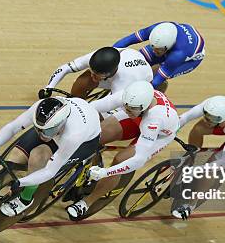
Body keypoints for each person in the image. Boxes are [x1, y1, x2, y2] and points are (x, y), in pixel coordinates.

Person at [65, 81, 179, 220]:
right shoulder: (129, 98)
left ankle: (86, 203)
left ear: (143, 108)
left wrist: (105, 172)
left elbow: (138, 160)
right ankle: (88, 163)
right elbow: (91, 107)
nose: (125, 110)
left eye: (129, 109)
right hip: (137, 118)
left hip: (159, 135)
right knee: (96, 134)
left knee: (121, 160)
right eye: (125, 107)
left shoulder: (153, 120)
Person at [0, 97, 101, 217]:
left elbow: (49, 171)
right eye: (38, 128)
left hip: (85, 143)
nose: (42, 135)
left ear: (60, 124)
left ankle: (25, 199)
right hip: (57, 128)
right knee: (15, 159)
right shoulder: (41, 109)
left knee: (38, 156)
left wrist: (21, 182)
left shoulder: (73, 135)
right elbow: (14, 126)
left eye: (46, 131)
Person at [111, 21, 205, 92]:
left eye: (158, 49)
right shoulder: (157, 29)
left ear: (166, 47)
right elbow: (128, 40)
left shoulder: (178, 54)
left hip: (189, 61)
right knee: (138, 59)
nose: (154, 51)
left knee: (153, 77)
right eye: (153, 46)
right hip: (173, 45)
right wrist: (110, 52)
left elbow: (155, 82)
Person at [42, 46, 153, 99]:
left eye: (96, 74)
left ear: (109, 74)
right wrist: (49, 87)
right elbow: (66, 68)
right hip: (114, 74)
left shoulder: (123, 80)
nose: (92, 75)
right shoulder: (94, 57)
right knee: (83, 81)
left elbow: (111, 107)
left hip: (138, 81)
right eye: (92, 71)